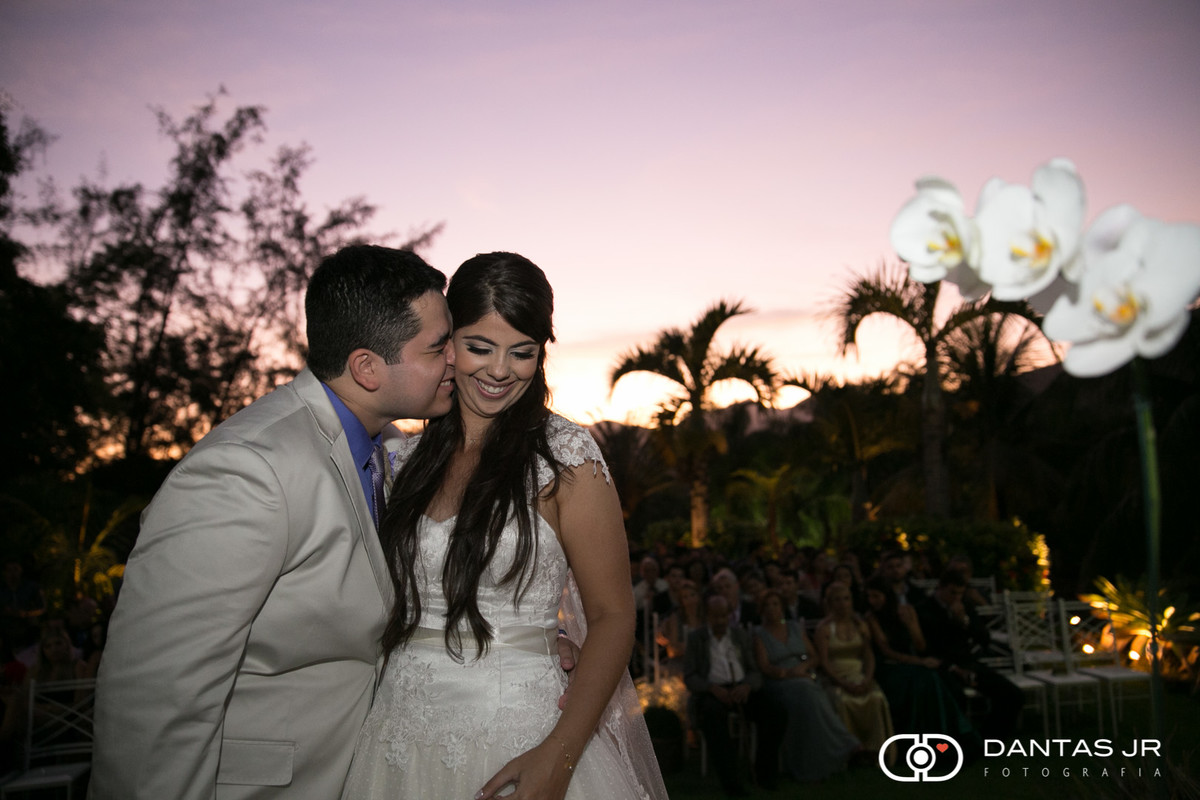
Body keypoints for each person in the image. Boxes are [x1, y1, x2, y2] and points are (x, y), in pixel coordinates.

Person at [90, 245, 463, 799]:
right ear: (366, 368)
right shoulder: (246, 471)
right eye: (438, 346)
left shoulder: (389, 449)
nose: (457, 358)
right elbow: (157, 698)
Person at [341, 252, 667, 800]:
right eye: (479, 347)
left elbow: (613, 615)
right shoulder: (403, 460)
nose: (499, 370)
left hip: (523, 732)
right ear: (448, 342)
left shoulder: (566, 457)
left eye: (522, 352)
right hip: (396, 733)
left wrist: (560, 757)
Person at [752, 590, 858, 784]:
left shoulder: (794, 628)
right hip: (779, 680)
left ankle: (825, 756)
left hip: (804, 675)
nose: (772, 609)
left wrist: (803, 667)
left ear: (782, 607)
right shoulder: (759, 634)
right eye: (767, 605)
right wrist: (790, 673)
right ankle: (844, 742)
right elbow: (764, 666)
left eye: (775, 604)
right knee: (808, 690)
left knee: (810, 694)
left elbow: (814, 656)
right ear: (761, 609)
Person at [684, 594, 782, 796]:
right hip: (712, 692)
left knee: (775, 713)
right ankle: (732, 782)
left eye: (724, 615)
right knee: (712, 719)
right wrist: (711, 688)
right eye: (715, 616)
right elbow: (690, 676)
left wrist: (747, 686)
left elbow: (754, 671)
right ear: (707, 616)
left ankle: (764, 773)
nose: (720, 621)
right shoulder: (697, 639)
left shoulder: (740, 636)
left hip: (740, 688)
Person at [863, 577, 977, 743]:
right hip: (890, 666)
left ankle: (947, 735)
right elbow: (887, 651)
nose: (871, 601)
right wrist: (920, 662)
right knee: (924, 678)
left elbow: (921, 645)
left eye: (876, 596)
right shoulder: (871, 617)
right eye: (868, 596)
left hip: (912, 663)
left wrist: (910, 625)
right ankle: (929, 736)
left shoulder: (907, 611)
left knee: (933, 678)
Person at [916, 569, 1023, 739]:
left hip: (968, 663)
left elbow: (984, 638)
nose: (956, 597)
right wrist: (952, 667)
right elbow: (928, 647)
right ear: (940, 588)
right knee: (955, 696)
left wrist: (964, 620)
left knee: (1013, 694)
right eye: (952, 593)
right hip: (941, 667)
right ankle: (957, 741)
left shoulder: (964, 605)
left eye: (960, 593)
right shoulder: (924, 608)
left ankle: (989, 739)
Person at [814, 581, 894, 761]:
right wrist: (842, 682)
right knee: (843, 701)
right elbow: (824, 661)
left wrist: (868, 678)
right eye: (837, 600)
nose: (843, 604)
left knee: (876, 697)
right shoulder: (824, 628)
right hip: (835, 676)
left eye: (846, 599)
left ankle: (876, 750)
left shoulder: (860, 625)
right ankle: (850, 751)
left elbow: (868, 655)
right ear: (830, 603)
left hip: (859, 675)